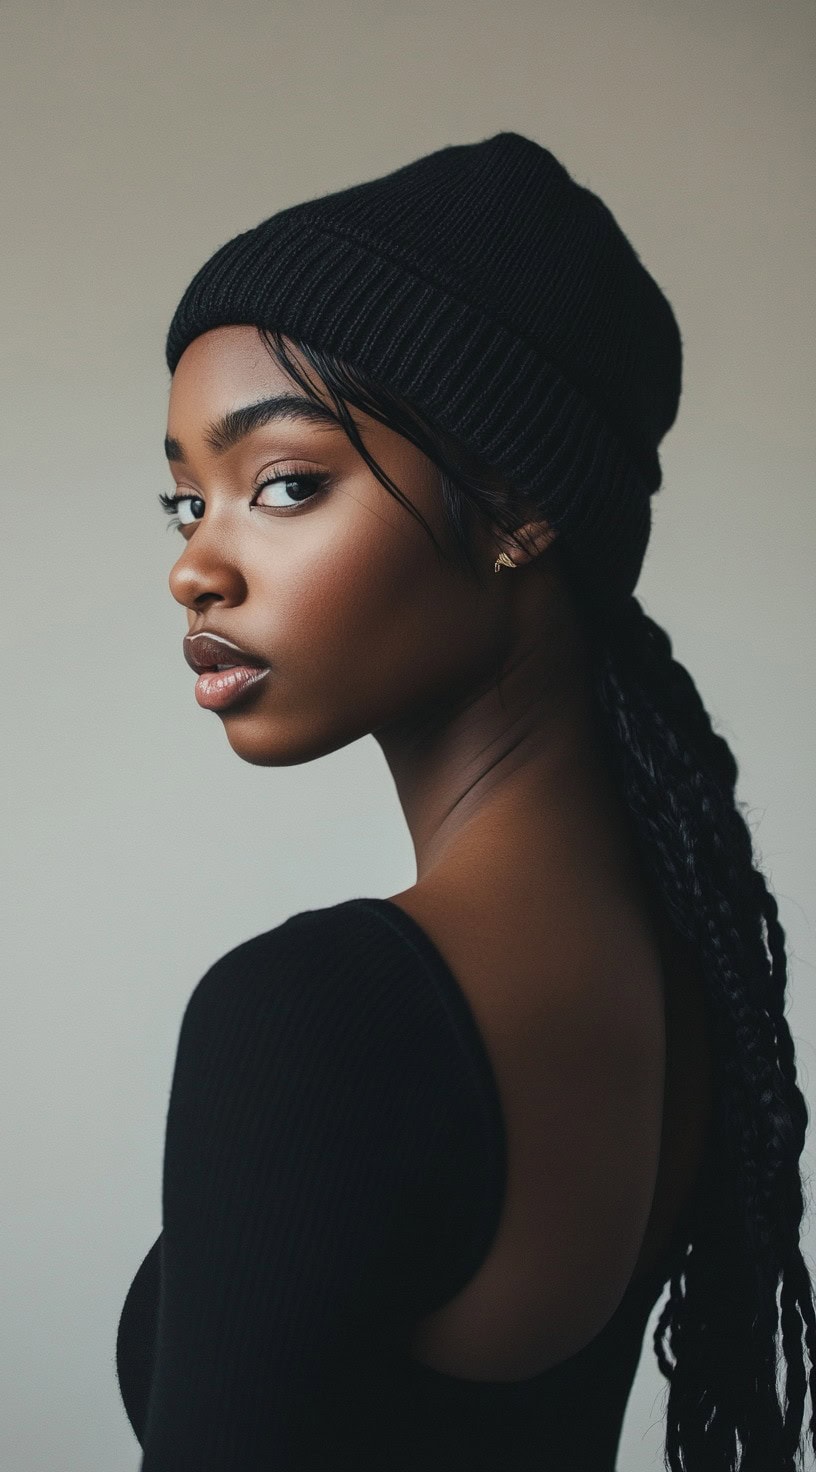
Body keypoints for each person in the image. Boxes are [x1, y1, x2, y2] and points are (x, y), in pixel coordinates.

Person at [115, 131, 816, 1470]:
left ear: (513, 506)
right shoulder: (671, 966)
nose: (195, 568)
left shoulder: (326, 1015)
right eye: (183, 500)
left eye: (283, 485)